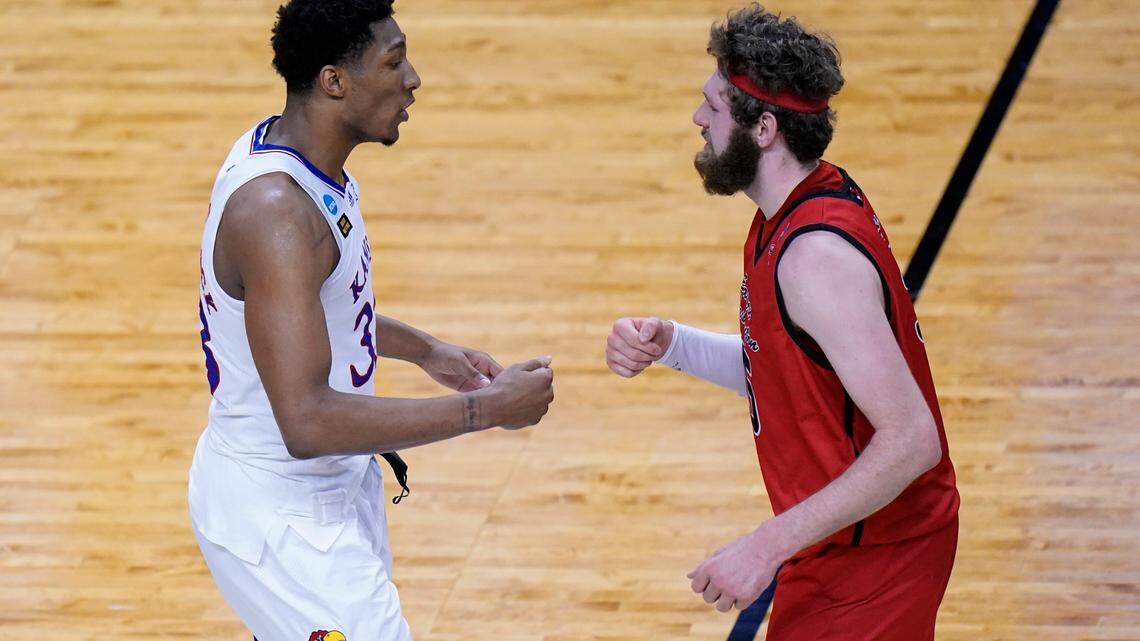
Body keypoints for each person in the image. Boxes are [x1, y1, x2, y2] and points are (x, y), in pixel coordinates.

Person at [190, 1, 555, 638]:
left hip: (326, 491)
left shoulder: (292, 152)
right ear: (335, 81)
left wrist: (424, 348)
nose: (413, 78)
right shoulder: (278, 213)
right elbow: (305, 421)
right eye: (394, 61)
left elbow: (308, 306)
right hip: (284, 521)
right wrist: (487, 410)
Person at [604, 5, 959, 639]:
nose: (697, 119)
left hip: (877, 557)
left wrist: (764, 547)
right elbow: (795, 381)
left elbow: (912, 441)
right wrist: (673, 344)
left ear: (764, 127)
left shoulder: (813, 257)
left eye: (713, 106)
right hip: (839, 545)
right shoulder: (787, 214)